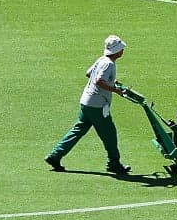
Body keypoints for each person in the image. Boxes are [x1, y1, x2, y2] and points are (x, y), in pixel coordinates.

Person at [46, 35, 131, 176]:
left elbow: (89, 73)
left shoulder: (102, 60)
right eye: (121, 49)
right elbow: (99, 81)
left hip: (86, 102)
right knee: (109, 134)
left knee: (78, 130)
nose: (123, 51)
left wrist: (112, 82)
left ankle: (55, 155)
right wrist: (116, 90)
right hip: (97, 106)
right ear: (116, 51)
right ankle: (114, 164)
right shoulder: (109, 64)